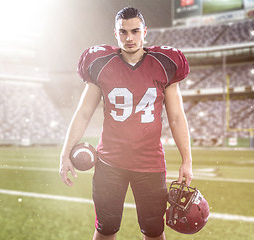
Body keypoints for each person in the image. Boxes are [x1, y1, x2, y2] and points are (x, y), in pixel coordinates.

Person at [59, 7, 193, 240]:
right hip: (109, 163)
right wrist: (64, 154)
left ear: (144, 32)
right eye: (123, 32)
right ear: (115, 33)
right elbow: (83, 113)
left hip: (150, 164)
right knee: (105, 229)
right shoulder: (100, 63)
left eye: (134, 31)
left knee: (154, 231)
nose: (129, 38)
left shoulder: (164, 63)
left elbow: (176, 117)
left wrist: (187, 160)